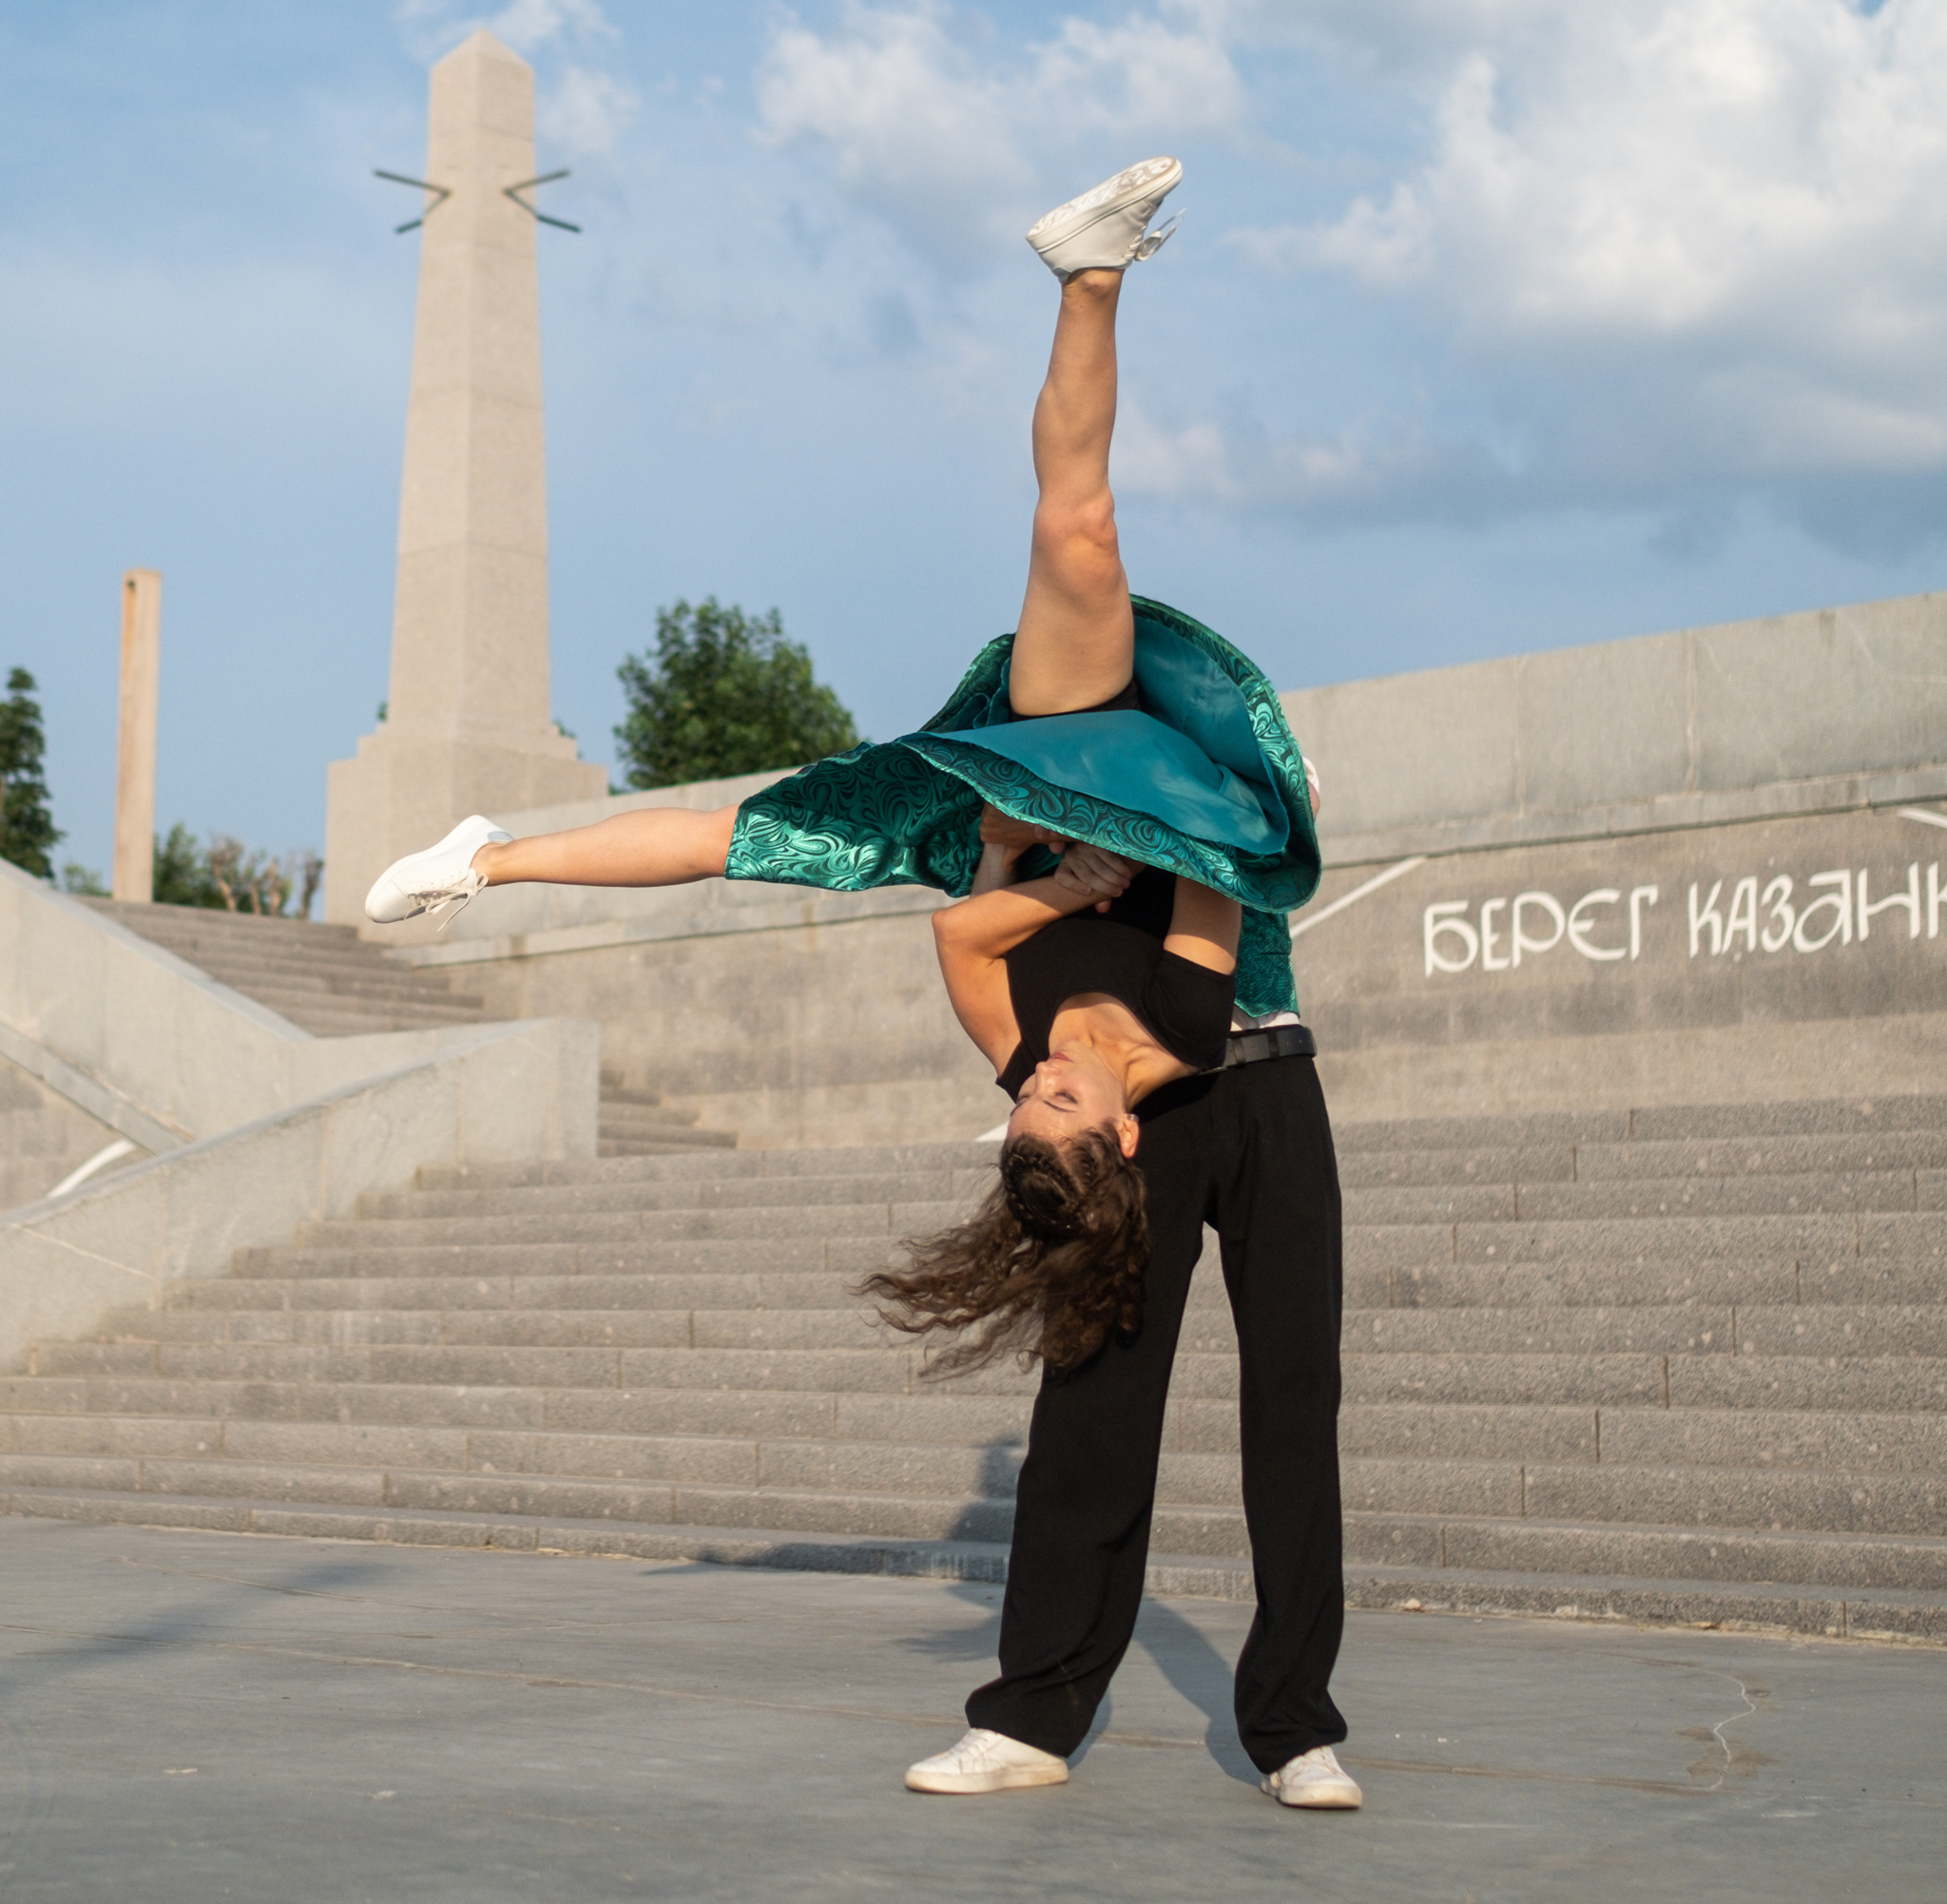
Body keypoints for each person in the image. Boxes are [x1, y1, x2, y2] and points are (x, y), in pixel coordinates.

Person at [363, 158, 1358, 1809]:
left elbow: (931, 920)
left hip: (1177, 946)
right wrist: (1155, 844)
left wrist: (1046, 875)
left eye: (1026, 1105)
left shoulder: (1027, 1013)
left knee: (1292, 1406)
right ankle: (1032, 1717)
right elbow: (1215, 877)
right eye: (1049, 1107)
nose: (1029, 1096)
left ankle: (1293, 1724)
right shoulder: (1148, 1038)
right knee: (1096, 1409)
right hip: (1216, 1030)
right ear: (1104, 1131)